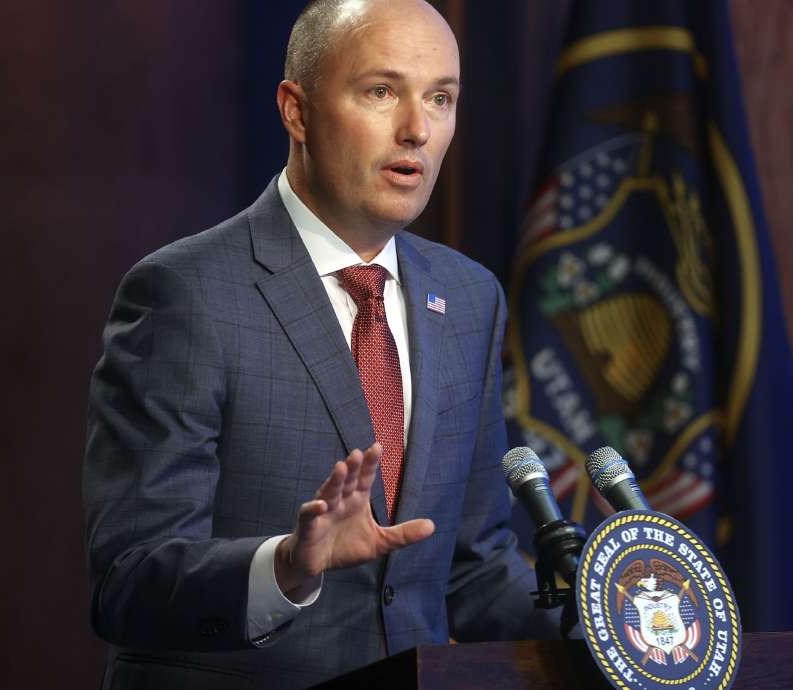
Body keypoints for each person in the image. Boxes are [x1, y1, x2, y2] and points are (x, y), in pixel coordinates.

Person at [82, 0, 557, 687]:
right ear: (296, 111)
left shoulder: (469, 296)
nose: (417, 129)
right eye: (381, 92)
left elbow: (472, 569)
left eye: (441, 98)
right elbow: (127, 581)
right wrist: (286, 565)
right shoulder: (186, 293)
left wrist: (609, 623)